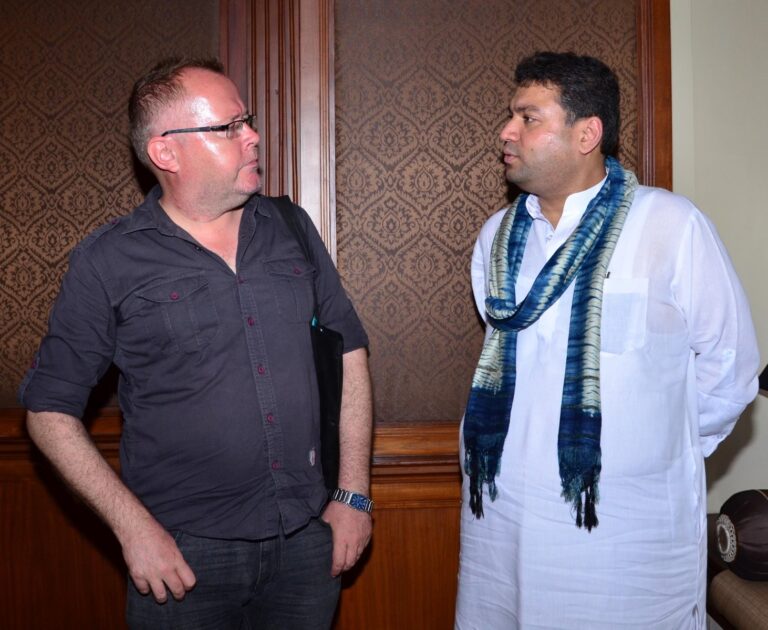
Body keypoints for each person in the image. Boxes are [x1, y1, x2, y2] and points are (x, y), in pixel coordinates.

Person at [19, 57, 373, 629]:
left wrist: (353, 496)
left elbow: (349, 351)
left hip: (308, 543)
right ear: (166, 152)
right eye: (229, 127)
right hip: (183, 559)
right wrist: (134, 529)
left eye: (248, 120)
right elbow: (48, 411)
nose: (253, 135)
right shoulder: (108, 260)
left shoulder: (291, 230)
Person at [455, 51, 759, 629]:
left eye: (528, 117)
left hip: (625, 535)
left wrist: (656, 451)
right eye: (511, 116)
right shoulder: (496, 237)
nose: (507, 131)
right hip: (502, 523)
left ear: (586, 133)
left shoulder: (670, 224)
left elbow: (732, 367)